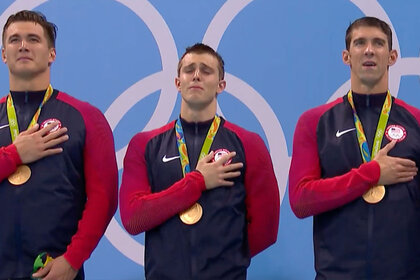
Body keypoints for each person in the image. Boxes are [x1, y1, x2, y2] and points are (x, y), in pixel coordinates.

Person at [120, 43, 280, 279]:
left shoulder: (248, 144)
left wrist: (225, 262)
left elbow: (266, 228)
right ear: (177, 83)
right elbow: (133, 218)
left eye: (206, 70)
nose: (196, 75)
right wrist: (196, 182)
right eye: (189, 69)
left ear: (221, 85)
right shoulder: (145, 144)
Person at [289, 16, 420, 279]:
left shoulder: (416, 121)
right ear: (346, 56)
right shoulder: (314, 122)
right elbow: (301, 201)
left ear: (392, 56)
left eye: (378, 43)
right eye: (360, 43)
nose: (369, 50)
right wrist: (371, 174)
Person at [0, 10, 118, 279]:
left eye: (33, 39)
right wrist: (14, 154)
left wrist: (73, 260)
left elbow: (105, 197)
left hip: (54, 270)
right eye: (14, 39)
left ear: (52, 54)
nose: (23, 46)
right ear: (4, 54)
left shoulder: (86, 117)